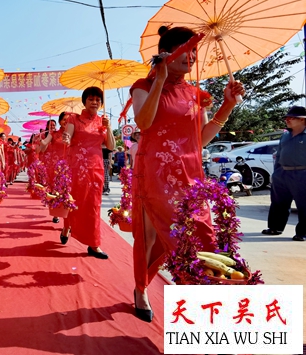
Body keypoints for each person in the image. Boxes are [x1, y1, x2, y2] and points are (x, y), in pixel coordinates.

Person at [130, 25, 245, 323]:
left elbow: (200, 138)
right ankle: (141, 288)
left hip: (192, 178)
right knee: (156, 237)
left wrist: (227, 105)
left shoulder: (197, 94)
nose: (191, 57)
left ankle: (204, 311)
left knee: (202, 239)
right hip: (156, 175)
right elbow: (144, 122)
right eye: (185, 50)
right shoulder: (143, 86)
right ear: (166, 54)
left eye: (194, 51)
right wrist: (160, 81)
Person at [61, 86, 115, 259]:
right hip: (76, 168)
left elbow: (111, 146)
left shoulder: (102, 122)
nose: (94, 102)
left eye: (98, 100)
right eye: (91, 99)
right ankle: (67, 226)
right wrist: (66, 138)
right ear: (84, 102)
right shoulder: (74, 119)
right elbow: (68, 137)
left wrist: (109, 128)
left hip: (96, 169)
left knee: (93, 205)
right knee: (74, 201)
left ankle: (94, 244)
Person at [262, 106, 306, 241]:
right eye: (286, 118)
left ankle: (302, 233)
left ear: (303, 120)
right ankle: (275, 227)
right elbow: (279, 155)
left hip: (302, 173)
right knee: (278, 202)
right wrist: (276, 174)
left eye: (292, 118)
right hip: (282, 173)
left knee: (304, 204)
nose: (287, 120)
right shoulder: (285, 135)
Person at [40, 112, 68, 223]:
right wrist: (41, 140)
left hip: (69, 165)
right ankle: (56, 213)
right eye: (64, 119)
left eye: (68, 120)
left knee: (67, 190)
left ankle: (68, 218)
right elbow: (43, 146)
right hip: (55, 166)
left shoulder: (73, 133)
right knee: (56, 189)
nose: (66, 121)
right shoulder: (53, 134)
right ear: (60, 121)